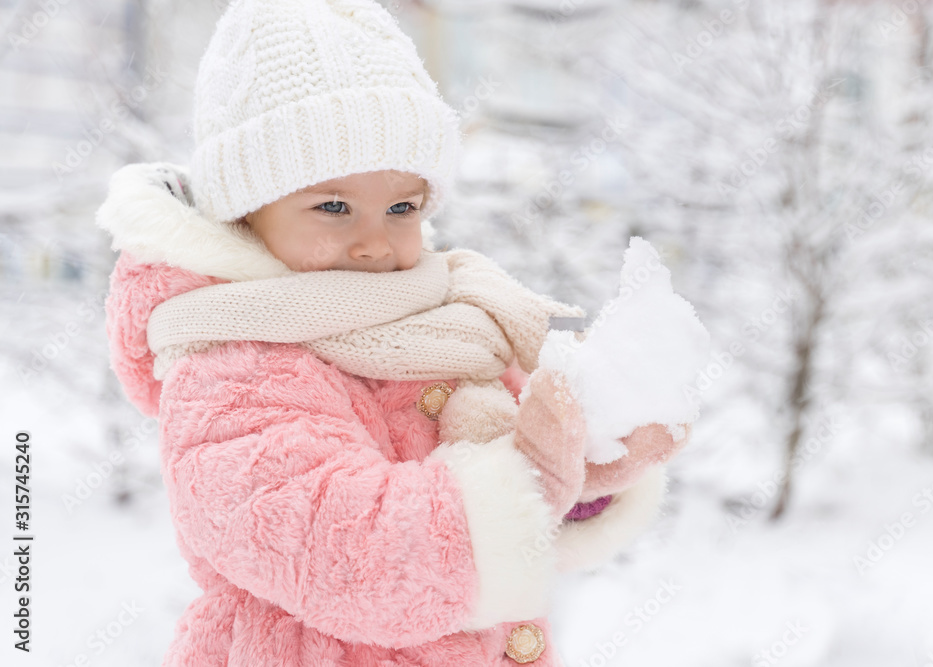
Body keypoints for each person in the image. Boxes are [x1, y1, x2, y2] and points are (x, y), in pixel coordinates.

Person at [95, 1, 688, 664]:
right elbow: (342, 548)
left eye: (401, 206)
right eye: (334, 206)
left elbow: (537, 475)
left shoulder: (446, 318)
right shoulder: (228, 368)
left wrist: (596, 455)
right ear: (244, 211)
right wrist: (529, 475)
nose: (376, 242)